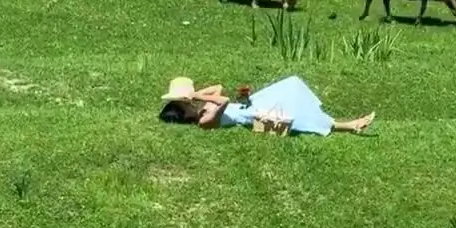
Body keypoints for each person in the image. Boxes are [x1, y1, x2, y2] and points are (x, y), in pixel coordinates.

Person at [158, 76, 375, 135]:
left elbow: (218, 87)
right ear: (182, 112)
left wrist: (195, 96)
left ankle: (349, 125)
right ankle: (351, 125)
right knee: (298, 118)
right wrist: (196, 94)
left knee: (291, 86)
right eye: (182, 103)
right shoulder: (203, 121)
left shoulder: (202, 108)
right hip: (255, 116)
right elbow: (223, 100)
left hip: (251, 106)